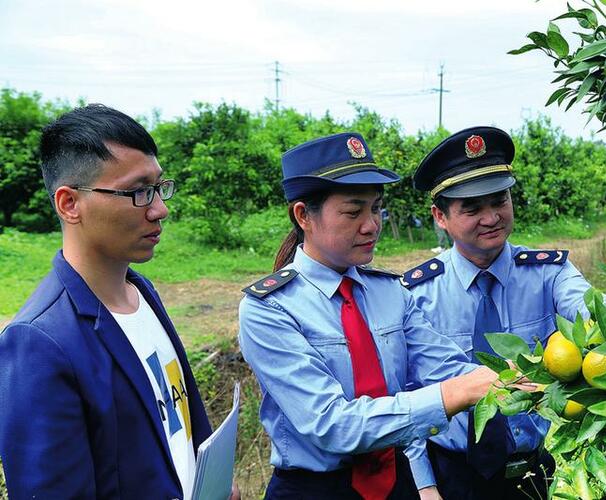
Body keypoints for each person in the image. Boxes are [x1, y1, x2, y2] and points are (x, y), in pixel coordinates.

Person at [238, 132, 506, 500]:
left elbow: (445, 367)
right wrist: (453, 394)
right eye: (353, 212)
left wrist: (522, 377)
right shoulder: (270, 309)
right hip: (317, 489)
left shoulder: (390, 292)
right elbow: (331, 424)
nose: (371, 225)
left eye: (376, 208)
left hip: (395, 480)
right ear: (304, 216)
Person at [0, 104, 229, 499]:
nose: (161, 209)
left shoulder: (142, 293)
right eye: (139, 192)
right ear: (70, 204)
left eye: (159, 187)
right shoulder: (39, 343)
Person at [402, 126, 592, 499]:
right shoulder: (416, 295)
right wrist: (424, 485)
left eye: (499, 201)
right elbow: (405, 394)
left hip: (534, 472)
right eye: (472, 208)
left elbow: (594, 313)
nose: (491, 218)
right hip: (451, 476)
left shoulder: (549, 274)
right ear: (440, 216)